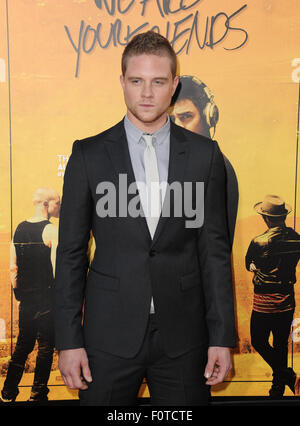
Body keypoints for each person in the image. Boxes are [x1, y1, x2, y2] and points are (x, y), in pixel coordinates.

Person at [54, 31, 236, 406]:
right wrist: (69, 341)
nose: (147, 93)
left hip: (185, 339)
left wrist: (221, 337)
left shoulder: (206, 156)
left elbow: (214, 253)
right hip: (107, 338)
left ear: (174, 85)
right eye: (137, 81)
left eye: (158, 82)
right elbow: (70, 253)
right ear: (122, 82)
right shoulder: (88, 155)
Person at [1, 187, 60, 403]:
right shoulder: (51, 231)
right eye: (57, 203)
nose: (59, 207)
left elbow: (13, 268)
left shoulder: (18, 229)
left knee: (23, 345)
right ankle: (38, 393)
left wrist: (19, 294)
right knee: (45, 346)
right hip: (47, 298)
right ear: (46, 204)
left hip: (26, 300)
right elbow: (56, 269)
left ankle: (8, 391)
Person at [170, 75, 238, 247]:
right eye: (171, 120)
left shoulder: (217, 169)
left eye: (186, 117)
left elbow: (215, 247)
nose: (176, 127)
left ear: (209, 117)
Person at [245, 194, 300, 398]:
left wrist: (254, 267)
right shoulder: (296, 238)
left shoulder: (258, 241)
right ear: (283, 216)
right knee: (280, 344)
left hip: (264, 302)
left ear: (265, 218)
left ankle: (286, 377)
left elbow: (248, 262)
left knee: (259, 341)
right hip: (286, 300)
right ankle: (278, 386)